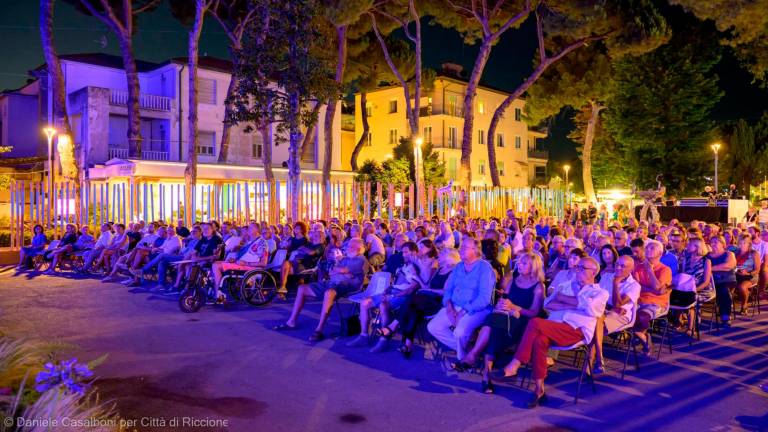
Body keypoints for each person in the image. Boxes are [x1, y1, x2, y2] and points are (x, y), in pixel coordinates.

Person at [499, 257, 608, 408]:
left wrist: (566, 300)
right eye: (578, 267)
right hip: (555, 326)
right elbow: (548, 304)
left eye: (583, 268)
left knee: (535, 322)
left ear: (594, 272)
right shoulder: (566, 285)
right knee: (539, 341)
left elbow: (591, 309)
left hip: (576, 330)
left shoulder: (600, 293)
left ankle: (515, 364)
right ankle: (539, 390)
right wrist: (575, 303)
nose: (578, 270)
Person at [458, 252, 545, 394]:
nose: (519, 265)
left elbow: (535, 313)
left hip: (522, 321)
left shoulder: (538, 286)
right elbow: (504, 298)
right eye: (519, 263)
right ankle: (486, 375)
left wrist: (515, 308)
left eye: (524, 263)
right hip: (505, 316)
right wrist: (501, 304)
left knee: (493, 326)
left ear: (534, 267)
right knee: (493, 325)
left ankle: (474, 358)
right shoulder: (513, 280)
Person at [275, 238, 369, 342]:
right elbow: (331, 271)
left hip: (345, 286)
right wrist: (344, 273)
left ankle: (319, 329)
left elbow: (342, 270)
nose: (348, 248)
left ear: (359, 248)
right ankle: (291, 322)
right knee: (302, 288)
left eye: (351, 246)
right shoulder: (346, 258)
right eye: (349, 246)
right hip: (331, 282)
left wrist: (342, 271)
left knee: (329, 293)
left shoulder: (360, 259)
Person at [346, 241, 424, 352]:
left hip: (402, 296)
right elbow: (395, 282)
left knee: (383, 305)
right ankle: (364, 336)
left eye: (406, 252)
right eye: (402, 252)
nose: (403, 255)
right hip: (392, 292)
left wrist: (392, 295)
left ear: (414, 252)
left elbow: (413, 288)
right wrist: (386, 291)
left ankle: (384, 339)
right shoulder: (402, 266)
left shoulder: (416, 268)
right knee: (365, 302)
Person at [427, 239, 495, 361]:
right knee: (433, 326)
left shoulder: (485, 268)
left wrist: (462, 313)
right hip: (454, 305)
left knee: (459, 332)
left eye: (465, 248)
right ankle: (469, 352)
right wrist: (448, 308)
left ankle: (462, 358)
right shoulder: (459, 266)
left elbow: (484, 299)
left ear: (476, 251)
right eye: (461, 247)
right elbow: (448, 290)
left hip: (476, 308)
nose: (461, 250)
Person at [593, 256, 640, 373]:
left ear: (631, 269)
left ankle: (595, 360)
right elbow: (595, 297)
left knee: (596, 325)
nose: (618, 268)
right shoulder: (605, 277)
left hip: (621, 317)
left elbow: (618, 304)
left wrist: (615, 283)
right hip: (604, 310)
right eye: (617, 264)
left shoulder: (634, 286)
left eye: (623, 266)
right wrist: (611, 308)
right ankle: (597, 359)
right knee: (594, 322)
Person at [632, 240, 673, 355]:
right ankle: (643, 337)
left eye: (652, 248)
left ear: (660, 253)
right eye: (647, 248)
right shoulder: (638, 267)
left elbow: (658, 288)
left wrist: (649, 269)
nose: (648, 249)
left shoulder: (665, 269)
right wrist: (652, 290)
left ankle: (639, 335)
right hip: (638, 299)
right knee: (623, 315)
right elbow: (636, 286)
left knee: (641, 316)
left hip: (657, 303)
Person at [734, 234, 760, 315]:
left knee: (742, 287)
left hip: (751, 275)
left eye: (744, 243)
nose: (742, 245)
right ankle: (726, 307)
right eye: (740, 243)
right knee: (726, 285)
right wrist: (736, 271)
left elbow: (757, 270)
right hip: (737, 274)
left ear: (749, 243)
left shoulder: (754, 253)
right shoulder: (735, 253)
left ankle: (744, 305)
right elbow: (733, 266)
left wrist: (747, 273)